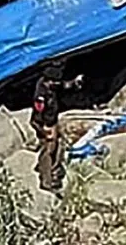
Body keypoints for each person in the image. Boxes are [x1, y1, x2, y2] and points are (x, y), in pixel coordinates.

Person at [30, 64, 83, 192]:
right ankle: (46, 181)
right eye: (54, 81)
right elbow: (36, 117)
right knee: (47, 151)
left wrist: (74, 82)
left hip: (53, 120)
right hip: (44, 124)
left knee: (58, 146)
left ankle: (53, 170)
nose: (57, 84)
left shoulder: (51, 86)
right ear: (48, 81)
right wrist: (44, 131)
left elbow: (64, 85)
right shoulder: (40, 96)